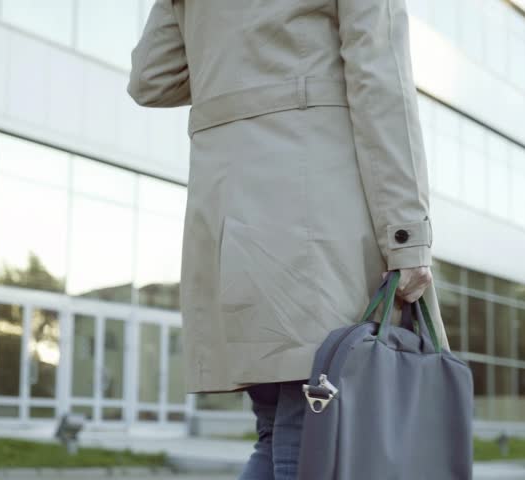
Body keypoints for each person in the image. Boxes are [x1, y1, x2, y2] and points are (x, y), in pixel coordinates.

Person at [128, 0, 450, 478]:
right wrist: (406, 236)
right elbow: (383, 87)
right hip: (319, 223)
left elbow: (151, 77)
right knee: (312, 436)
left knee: (281, 431)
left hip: (230, 229)